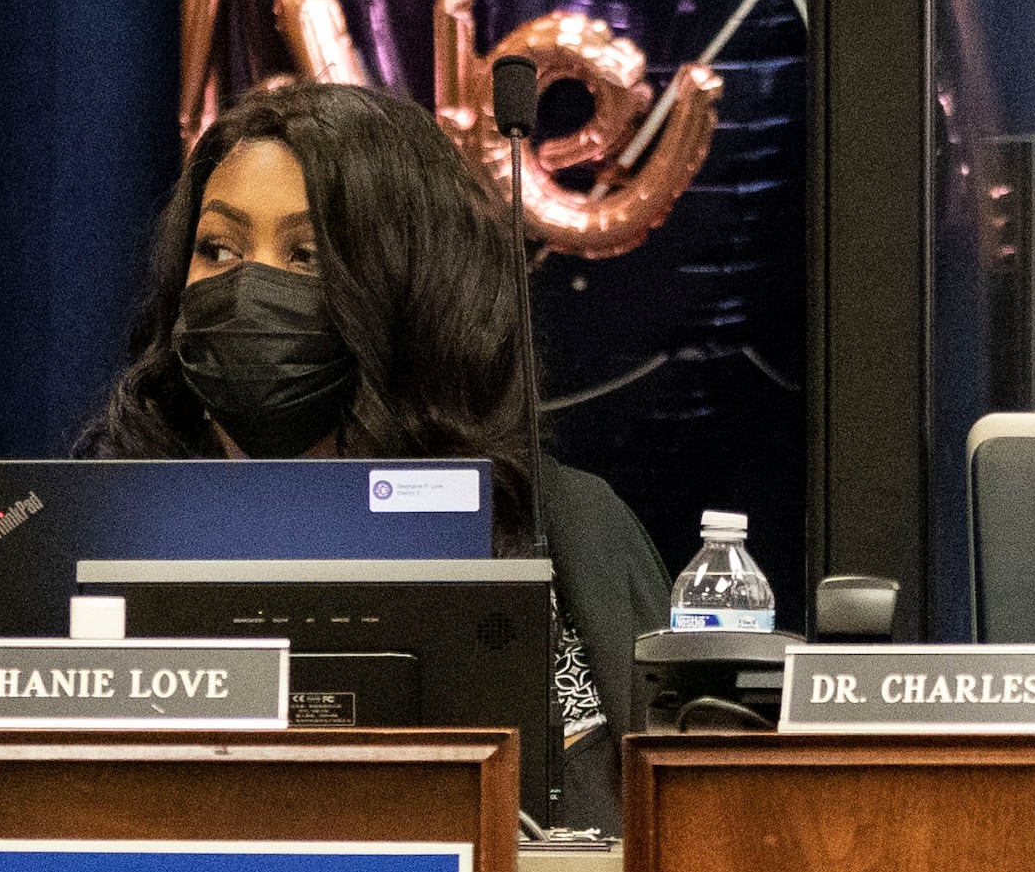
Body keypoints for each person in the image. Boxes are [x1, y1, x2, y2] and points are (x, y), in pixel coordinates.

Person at [72, 82, 671, 830]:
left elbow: (668, 837)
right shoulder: (84, 539)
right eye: (218, 249)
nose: (247, 288)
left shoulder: (568, 534)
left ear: (413, 290)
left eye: (305, 256)